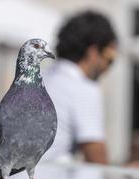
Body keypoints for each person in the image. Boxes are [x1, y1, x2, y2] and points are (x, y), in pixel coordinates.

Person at [42, 10, 118, 164]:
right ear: (93, 52)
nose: (110, 66)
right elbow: (98, 162)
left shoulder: (40, 78)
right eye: (110, 56)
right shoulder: (81, 87)